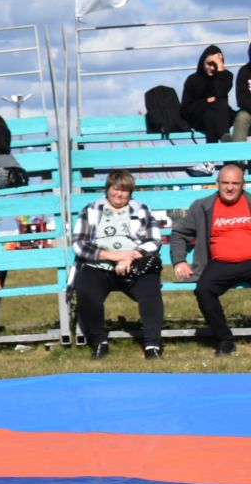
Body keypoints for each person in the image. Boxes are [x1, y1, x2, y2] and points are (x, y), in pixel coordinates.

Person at [73, 170, 164, 359]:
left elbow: (154, 240)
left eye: (124, 191)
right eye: (115, 189)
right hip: (99, 264)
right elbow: (79, 244)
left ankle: (152, 345)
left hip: (134, 265)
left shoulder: (140, 209)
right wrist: (111, 256)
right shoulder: (91, 210)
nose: (119, 194)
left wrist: (130, 257)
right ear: (107, 189)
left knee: (151, 292)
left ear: (130, 193)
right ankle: (99, 342)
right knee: (86, 291)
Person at [170, 162, 251, 355]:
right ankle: (224, 339)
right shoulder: (203, 206)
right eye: (225, 183)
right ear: (217, 183)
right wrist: (179, 260)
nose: (230, 187)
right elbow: (179, 234)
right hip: (219, 263)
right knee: (204, 291)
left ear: (243, 184)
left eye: (235, 183)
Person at [180, 46, 235, 145]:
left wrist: (220, 68)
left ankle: (211, 159)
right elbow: (185, 109)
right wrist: (206, 102)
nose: (212, 68)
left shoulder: (226, 76)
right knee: (213, 109)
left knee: (211, 114)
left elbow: (220, 92)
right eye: (209, 64)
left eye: (215, 65)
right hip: (197, 118)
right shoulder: (192, 80)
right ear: (202, 62)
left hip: (221, 117)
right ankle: (225, 140)